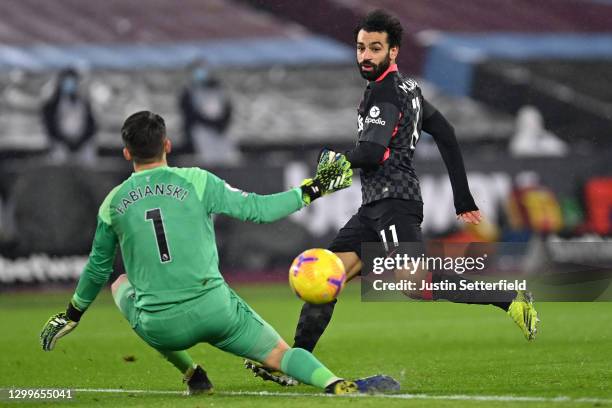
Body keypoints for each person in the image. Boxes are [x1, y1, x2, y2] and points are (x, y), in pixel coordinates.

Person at [248, 9, 539, 385]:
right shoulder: (408, 89)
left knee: (414, 284)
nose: (365, 56)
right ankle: (291, 368)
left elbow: (371, 153)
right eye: (360, 48)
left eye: (374, 48)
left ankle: (510, 297)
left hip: (394, 202)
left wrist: (338, 160)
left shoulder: (385, 92)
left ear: (394, 52)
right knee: (325, 280)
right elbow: (446, 131)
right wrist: (463, 197)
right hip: (375, 206)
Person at [39, 111, 399, 395]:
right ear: (167, 144)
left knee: (120, 283)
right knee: (281, 355)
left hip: (162, 328)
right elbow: (260, 210)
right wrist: (313, 188)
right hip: (216, 311)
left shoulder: (112, 203)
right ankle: (334, 384)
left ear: (126, 153)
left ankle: (192, 373)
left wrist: (72, 314)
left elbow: (96, 269)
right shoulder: (198, 181)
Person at [179, 61, 239, 164]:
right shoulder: (189, 92)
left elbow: (228, 108)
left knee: (228, 157)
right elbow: (190, 114)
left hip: (221, 130)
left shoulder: (219, 89)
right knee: (208, 159)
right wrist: (209, 123)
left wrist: (222, 124)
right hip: (202, 130)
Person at [42, 68, 97, 164]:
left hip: (82, 148)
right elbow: (50, 127)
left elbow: (92, 125)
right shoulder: (51, 105)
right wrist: (64, 142)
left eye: (73, 81)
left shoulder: (84, 103)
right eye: (66, 81)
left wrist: (80, 142)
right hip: (60, 147)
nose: (70, 85)